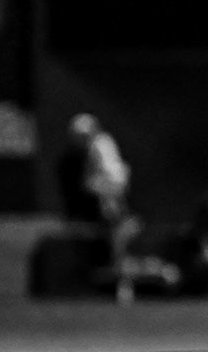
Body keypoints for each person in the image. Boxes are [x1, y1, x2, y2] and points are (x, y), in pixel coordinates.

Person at [59, 114, 145, 302]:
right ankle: (121, 286)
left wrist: (103, 193)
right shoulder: (98, 146)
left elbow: (114, 181)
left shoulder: (100, 146)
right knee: (114, 247)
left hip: (116, 202)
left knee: (119, 245)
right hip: (109, 204)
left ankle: (125, 287)